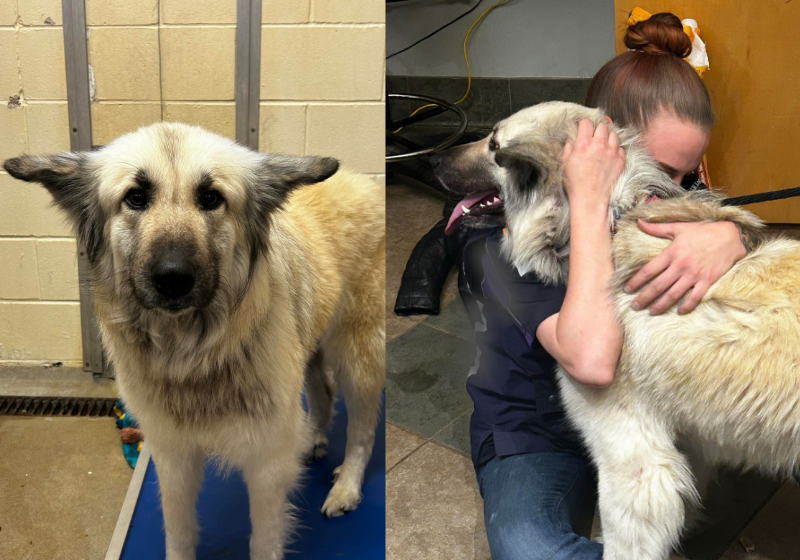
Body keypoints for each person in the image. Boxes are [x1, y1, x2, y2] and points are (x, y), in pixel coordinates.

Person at [464, 13, 763, 560]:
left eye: (688, 176)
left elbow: (744, 245)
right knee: (528, 547)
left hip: (644, 411)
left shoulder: (666, 198)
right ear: (596, 148)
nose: (672, 194)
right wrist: (591, 201)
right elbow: (593, 360)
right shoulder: (506, 238)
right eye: (661, 172)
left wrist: (731, 235)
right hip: (539, 430)